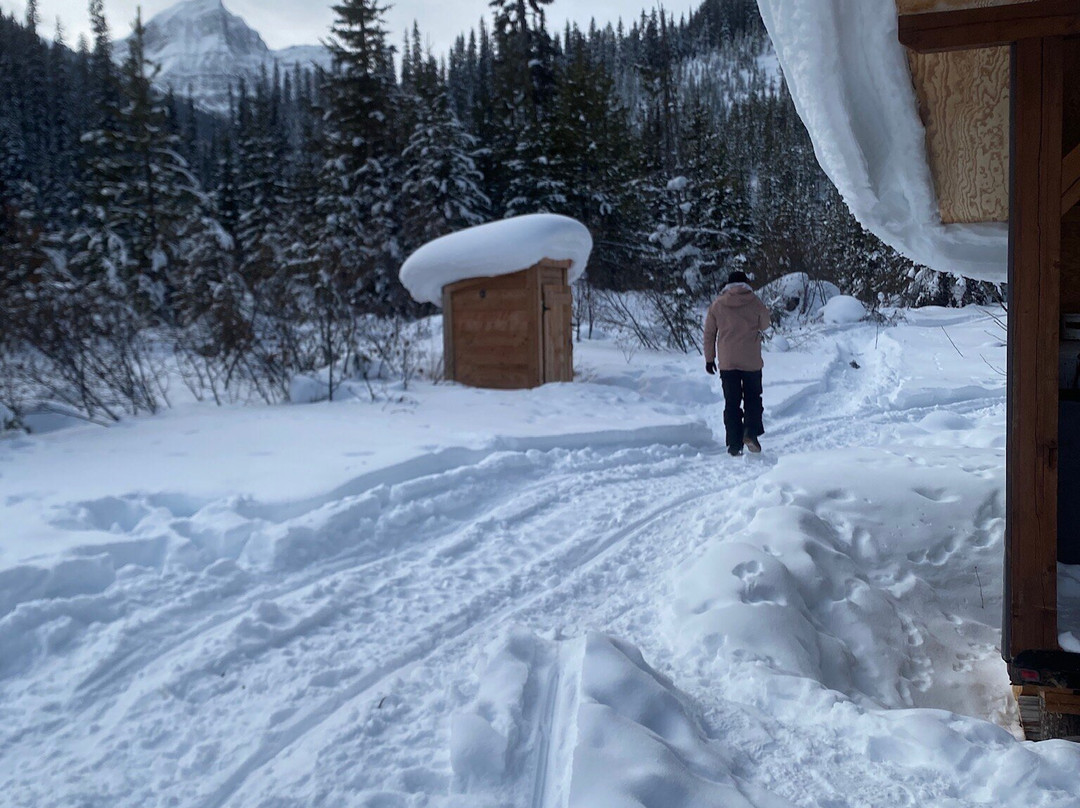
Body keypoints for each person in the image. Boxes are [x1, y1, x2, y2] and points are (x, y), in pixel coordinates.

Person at [703, 271, 771, 456]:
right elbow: (765, 324)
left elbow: (709, 333)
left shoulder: (718, 304)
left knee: (732, 402)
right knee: (753, 398)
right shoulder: (755, 302)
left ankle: (734, 443)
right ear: (746, 283)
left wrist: (710, 358)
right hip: (751, 360)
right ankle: (750, 431)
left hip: (728, 361)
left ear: (728, 284)